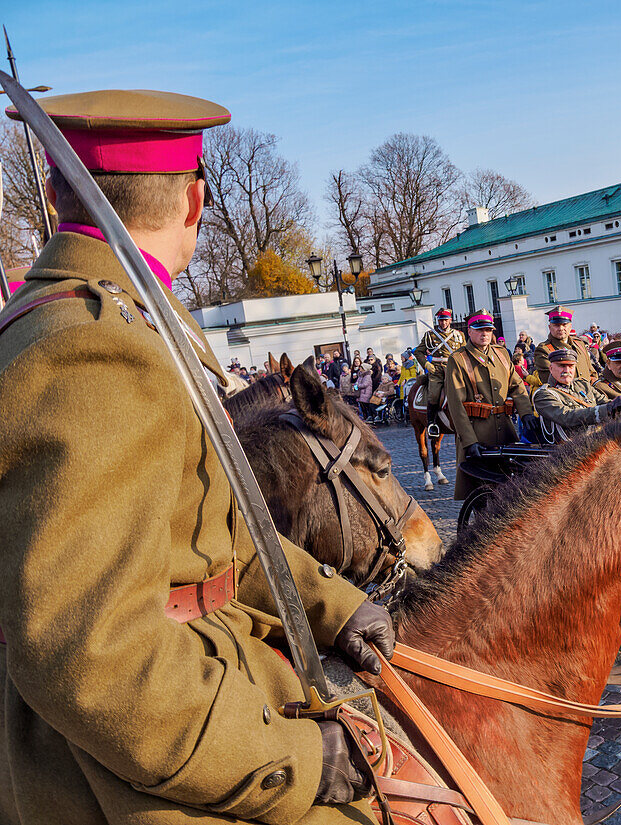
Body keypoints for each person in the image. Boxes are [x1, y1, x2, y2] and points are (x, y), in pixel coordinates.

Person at [0, 89, 396, 821]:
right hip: (123, 752)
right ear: (194, 202)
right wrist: (301, 761)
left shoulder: (113, 319)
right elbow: (95, 654)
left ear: (57, 198)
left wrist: (331, 602)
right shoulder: (98, 347)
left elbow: (212, 534)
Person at [445, 308, 535, 500]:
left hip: (505, 433)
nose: (484, 333)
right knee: (481, 493)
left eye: (488, 329)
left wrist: (526, 413)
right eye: (479, 329)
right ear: (469, 331)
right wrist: (469, 441)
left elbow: (517, 386)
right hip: (478, 434)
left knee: (511, 488)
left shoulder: (502, 354)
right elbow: (456, 406)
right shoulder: (458, 359)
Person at [532, 348, 621, 440]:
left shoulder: (582, 385)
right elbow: (566, 417)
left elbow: (603, 401)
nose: (567, 370)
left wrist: (619, 407)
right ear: (551, 368)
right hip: (568, 450)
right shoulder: (543, 395)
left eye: (571, 366)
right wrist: (607, 410)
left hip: (597, 441)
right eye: (561, 366)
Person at [414, 306, 466, 437]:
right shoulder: (430, 335)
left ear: (450, 320)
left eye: (446, 320)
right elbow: (419, 352)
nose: (443, 322)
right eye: (441, 320)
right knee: (434, 395)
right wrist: (426, 363)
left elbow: (465, 352)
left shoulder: (459, 335)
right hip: (436, 370)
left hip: (454, 369)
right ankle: (432, 424)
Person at [532, 305, 597, 385]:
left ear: (570, 327)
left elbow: (592, 373)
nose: (561, 328)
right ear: (549, 327)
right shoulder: (544, 350)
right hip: (564, 396)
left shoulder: (579, 344)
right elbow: (551, 380)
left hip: (588, 394)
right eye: (556, 325)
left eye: (564, 325)